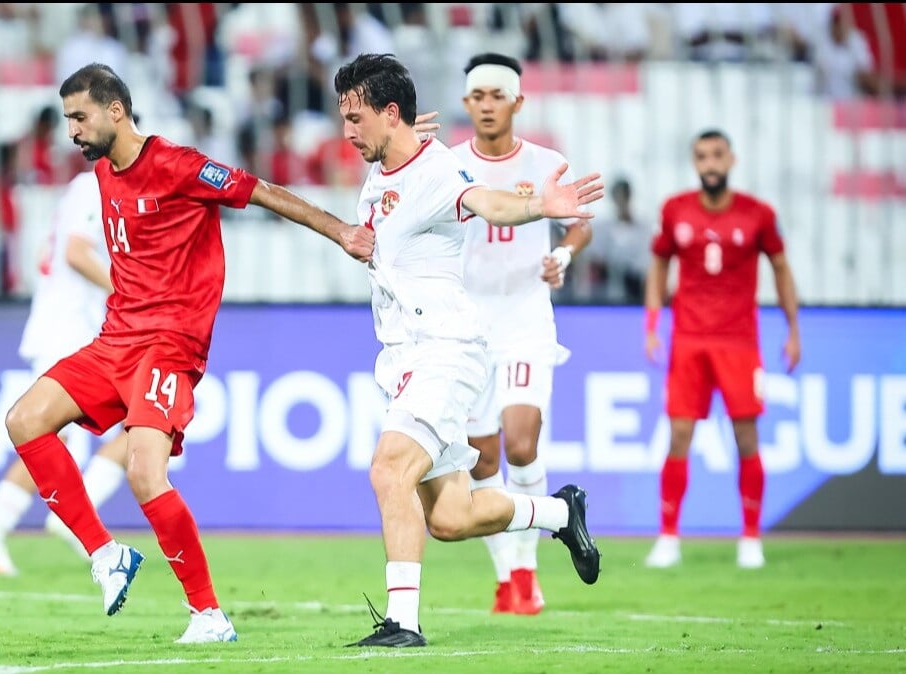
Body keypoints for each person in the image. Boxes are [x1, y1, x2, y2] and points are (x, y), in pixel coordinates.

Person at [5, 62, 374, 644]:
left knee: (145, 473)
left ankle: (209, 615)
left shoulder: (178, 165)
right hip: (114, 340)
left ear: (116, 111)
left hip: (168, 345)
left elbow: (266, 192)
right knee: (24, 420)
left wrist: (343, 232)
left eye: (79, 117)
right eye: (67, 119)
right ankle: (105, 555)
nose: (71, 131)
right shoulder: (103, 174)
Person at [333, 53, 603, 648]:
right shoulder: (390, 166)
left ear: (390, 112)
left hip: (445, 350)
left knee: (389, 470)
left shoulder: (438, 171)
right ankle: (562, 514)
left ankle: (403, 623)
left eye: (355, 118)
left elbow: (488, 202)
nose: (346, 132)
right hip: (402, 356)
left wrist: (537, 207)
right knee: (450, 517)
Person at [452, 53, 594, 616]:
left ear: (517, 102)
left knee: (521, 441)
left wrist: (561, 251)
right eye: (478, 96)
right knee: (481, 462)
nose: (487, 105)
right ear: (467, 104)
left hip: (525, 320)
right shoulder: (448, 166)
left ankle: (528, 570)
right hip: (467, 329)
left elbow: (579, 223)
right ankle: (505, 575)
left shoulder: (545, 162)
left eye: (497, 95)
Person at [643, 129, 801, 570]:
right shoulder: (675, 210)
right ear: (695, 162)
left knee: (746, 436)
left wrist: (793, 329)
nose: (709, 163)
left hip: (739, 343)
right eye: (701, 156)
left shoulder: (758, 214)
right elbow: (658, 263)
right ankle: (668, 536)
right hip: (689, 340)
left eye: (716, 155)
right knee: (678, 435)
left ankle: (750, 537)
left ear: (731, 159)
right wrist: (653, 322)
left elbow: (782, 267)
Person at [0, 169, 128, 577]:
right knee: (142, 422)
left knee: (137, 424)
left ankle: (8, 530)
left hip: (74, 322)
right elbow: (75, 252)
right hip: (71, 326)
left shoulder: (82, 188)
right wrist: (130, 293)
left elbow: (46, 253)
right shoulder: (96, 186)